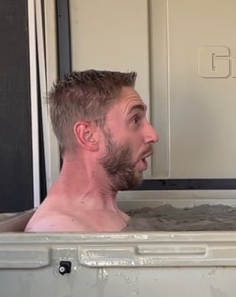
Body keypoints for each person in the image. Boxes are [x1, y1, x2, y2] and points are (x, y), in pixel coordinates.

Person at [26, 70, 158, 233]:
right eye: (135, 119)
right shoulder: (58, 229)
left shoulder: (114, 216)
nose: (153, 135)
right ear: (88, 136)